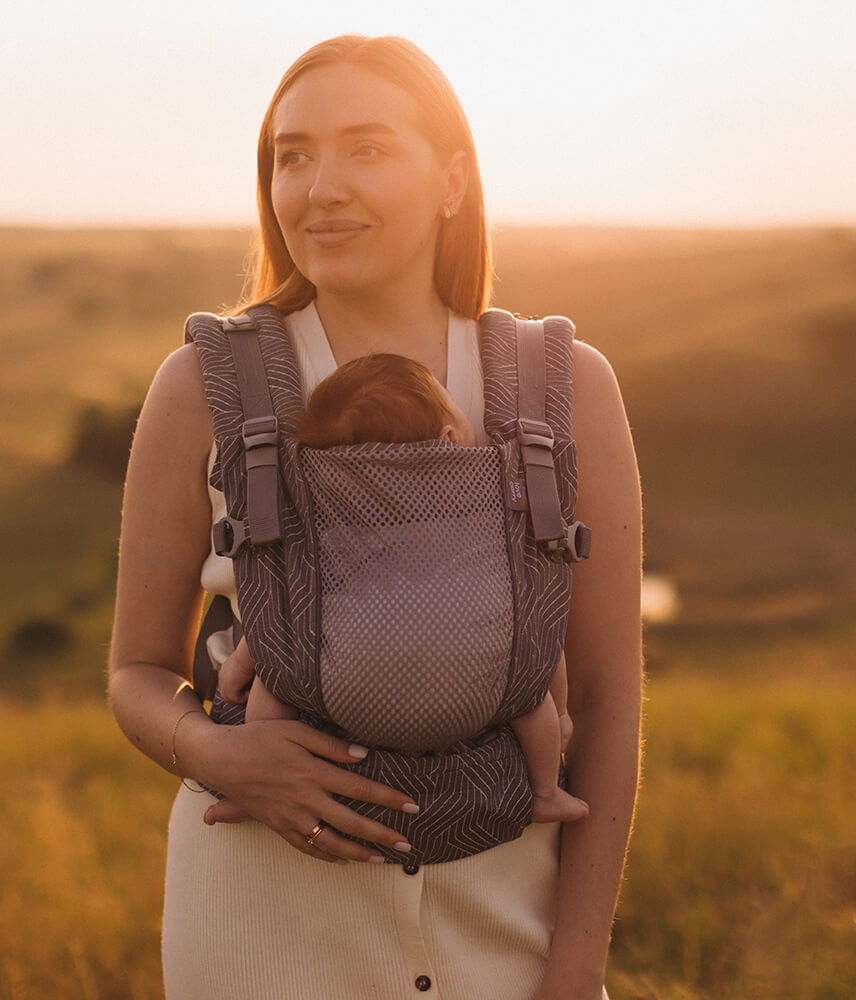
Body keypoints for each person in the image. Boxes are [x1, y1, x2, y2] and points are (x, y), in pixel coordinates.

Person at [109, 33, 641, 1000]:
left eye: (367, 148)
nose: (322, 187)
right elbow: (136, 672)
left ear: (452, 180)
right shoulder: (201, 386)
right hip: (259, 931)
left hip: (508, 927)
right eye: (293, 155)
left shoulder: (565, 388)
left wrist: (576, 963)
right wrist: (220, 753)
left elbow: (606, 699)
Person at [216, 351, 589, 825]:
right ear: (448, 439)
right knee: (534, 663)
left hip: (344, 683)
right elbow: (535, 606)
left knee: (281, 678)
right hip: (481, 676)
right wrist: (562, 710)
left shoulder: (333, 517)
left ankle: (254, 787)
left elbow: (287, 607)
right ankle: (545, 793)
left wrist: (241, 664)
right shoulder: (486, 499)